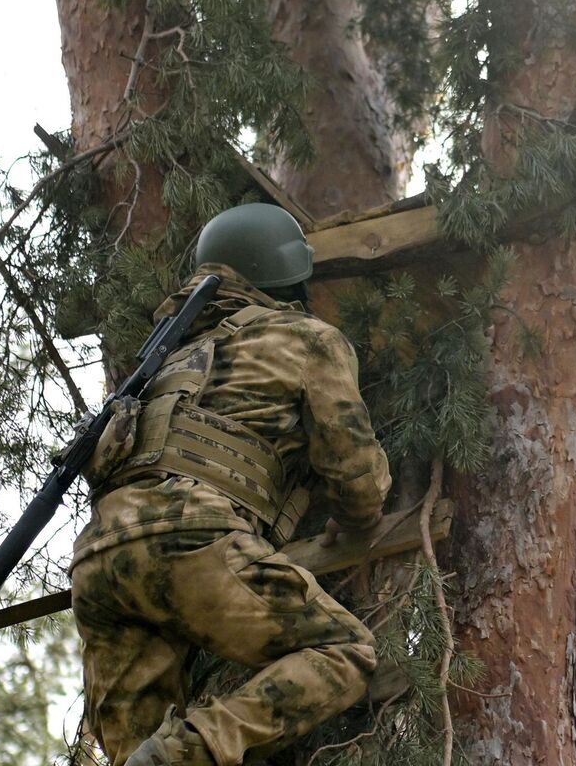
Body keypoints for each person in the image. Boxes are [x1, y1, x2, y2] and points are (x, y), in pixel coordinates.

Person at [70, 203, 392, 766]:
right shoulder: (306, 337)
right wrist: (358, 520)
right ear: (288, 276)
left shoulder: (164, 361)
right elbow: (357, 475)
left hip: (99, 563)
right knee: (344, 649)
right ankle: (188, 753)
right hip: (194, 540)